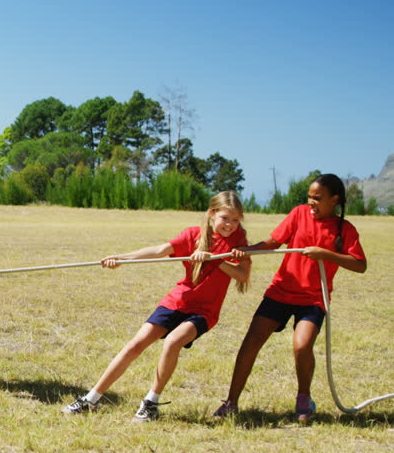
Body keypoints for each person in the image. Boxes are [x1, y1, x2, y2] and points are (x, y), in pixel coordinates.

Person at [62, 191, 250, 423]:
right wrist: (120, 258)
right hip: (178, 300)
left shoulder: (239, 239)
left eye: (235, 220)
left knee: (173, 342)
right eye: (225, 218)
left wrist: (216, 259)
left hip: (205, 311)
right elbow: (160, 251)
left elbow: (243, 275)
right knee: (135, 345)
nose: (230, 225)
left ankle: (151, 403)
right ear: (212, 214)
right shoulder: (193, 234)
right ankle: (91, 399)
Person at [214, 173, 367, 423]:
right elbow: (273, 242)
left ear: (334, 199)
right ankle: (231, 402)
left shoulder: (345, 229)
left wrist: (325, 254)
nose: (311, 202)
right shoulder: (298, 214)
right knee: (251, 342)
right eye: (309, 196)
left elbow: (360, 265)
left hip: (313, 299)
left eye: (317, 198)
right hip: (281, 291)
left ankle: (303, 399)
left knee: (302, 346)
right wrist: (247, 250)